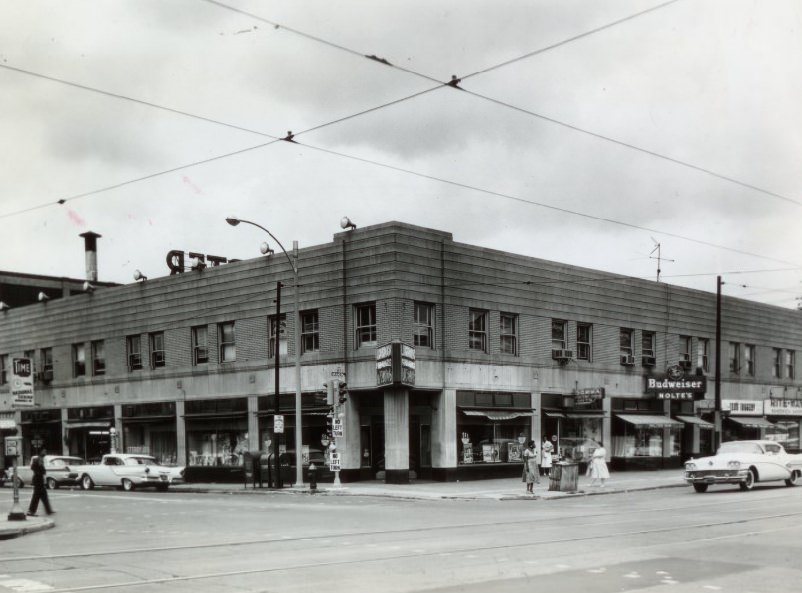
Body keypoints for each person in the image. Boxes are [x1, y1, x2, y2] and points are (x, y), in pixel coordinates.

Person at [27, 452, 54, 516]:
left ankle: (48, 510)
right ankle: (31, 511)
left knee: (43, 496)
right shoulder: (38, 460)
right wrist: (40, 470)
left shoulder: (39, 460)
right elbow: (43, 470)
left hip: (38, 480)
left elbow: (39, 469)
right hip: (38, 481)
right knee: (37, 496)